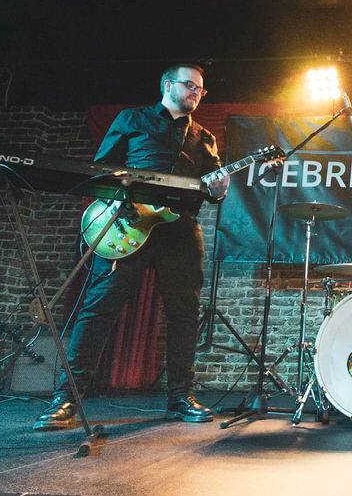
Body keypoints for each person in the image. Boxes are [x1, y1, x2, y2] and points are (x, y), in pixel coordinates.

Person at [34, 64, 229, 430]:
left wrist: (219, 190)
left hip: (180, 229)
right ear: (167, 85)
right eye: (190, 85)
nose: (196, 93)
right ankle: (66, 399)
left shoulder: (204, 137)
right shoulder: (133, 119)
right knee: (99, 308)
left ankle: (180, 397)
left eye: (200, 90)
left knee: (184, 314)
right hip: (127, 223)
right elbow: (101, 169)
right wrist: (122, 193)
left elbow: (213, 188)